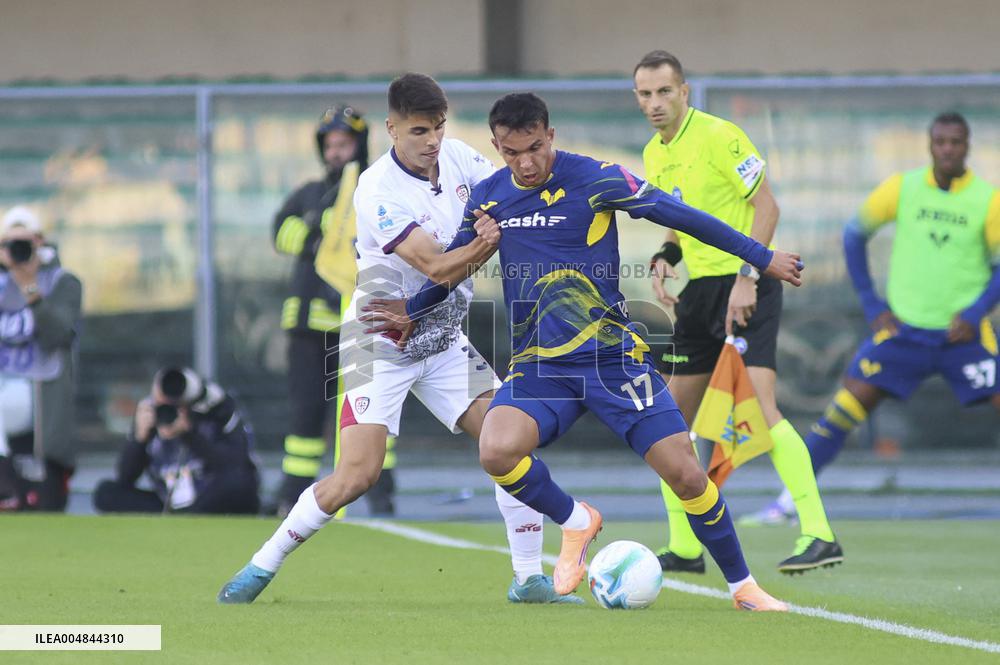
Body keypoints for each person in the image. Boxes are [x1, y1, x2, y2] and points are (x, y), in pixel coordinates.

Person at [366, 92, 805, 610]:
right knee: (496, 450)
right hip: (540, 367)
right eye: (512, 153)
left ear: (550, 136)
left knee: (686, 473)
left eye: (534, 147)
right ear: (497, 147)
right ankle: (577, 522)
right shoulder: (487, 197)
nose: (526, 163)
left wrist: (760, 257)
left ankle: (743, 587)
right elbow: (454, 266)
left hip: (610, 360)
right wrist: (412, 309)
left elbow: (683, 215)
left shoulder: (597, 178)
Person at [218, 73, 579, 606]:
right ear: (391, 129)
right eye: (418, 131)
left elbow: (513, 194)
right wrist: (487, 242)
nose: (432, 141)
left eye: (438, 127)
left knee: (509, 444)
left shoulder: (459, 158)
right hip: (377, 342)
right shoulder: (376, 189)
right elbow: (437, 267)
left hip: (442, 340)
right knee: (355, 475)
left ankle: (528, 579)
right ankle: (259, 566)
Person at [632, 50, 842, 574]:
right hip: (701, 293)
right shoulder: (653, 153)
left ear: (684, 92)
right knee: (666, 421)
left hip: (747, 285)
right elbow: (680, 217)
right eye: (645, 94)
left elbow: (767, 206)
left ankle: (819, 533)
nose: (655, 103)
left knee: (763, 410)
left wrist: (748, 277)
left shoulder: (720, 135)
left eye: (664, 91)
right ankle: (685, 548)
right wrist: (667, 255)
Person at [761, 111, 1000, 517]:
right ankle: (787, 504)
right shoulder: (903, 188)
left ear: (967, 146)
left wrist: (976, 313)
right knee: (843, 409)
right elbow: (854, 235)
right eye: (940, 141)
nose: (947, 149)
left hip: (962, 335)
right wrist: (872, 305)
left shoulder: (987, 199)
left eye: (955, 142)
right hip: (903, 331)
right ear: (930, 145)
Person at [271, 105, 397, 517]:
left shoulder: (376, 190)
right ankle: (295, 493)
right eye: (329, 145)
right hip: (308, 326)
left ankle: (380, 492)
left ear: (359, 145)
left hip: (363, 324)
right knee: (306, 413)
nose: (335, 152)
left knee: (368, 409)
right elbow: (280, 230)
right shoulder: (310, 193)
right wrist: (321, 233)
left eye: (343, 144)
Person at [0, 206, 82, 512]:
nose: (18, 250)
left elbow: (59, 335)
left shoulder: (62, 280)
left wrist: (29, 286)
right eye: (10, 243)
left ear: (40, 242)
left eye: (25, 242)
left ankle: (7, 484)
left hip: (40, 390)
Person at [93, 367, 260, 514]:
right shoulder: (151, 415)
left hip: (210, 496)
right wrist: (139, 438)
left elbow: (233, 467)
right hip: (168, 501)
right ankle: (183, 516)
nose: (171, 411)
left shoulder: (215, 414)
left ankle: (189, 516)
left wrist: (189, 434)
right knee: (106, 493)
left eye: (177, 407)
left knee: (239, 485)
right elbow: (125, 478)